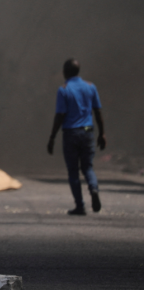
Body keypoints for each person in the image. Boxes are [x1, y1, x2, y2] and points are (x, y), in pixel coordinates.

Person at [47, 58, 105, 216]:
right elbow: (97, 111)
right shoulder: (90, 87)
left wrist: (52, 137)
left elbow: (60, 115)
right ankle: (93, 189)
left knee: (73, 171)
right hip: (87, 128)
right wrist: (102, 133)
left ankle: (80, 206)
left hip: (71, 131)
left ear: (65, 72)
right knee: (88, 167)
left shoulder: (64, 89)